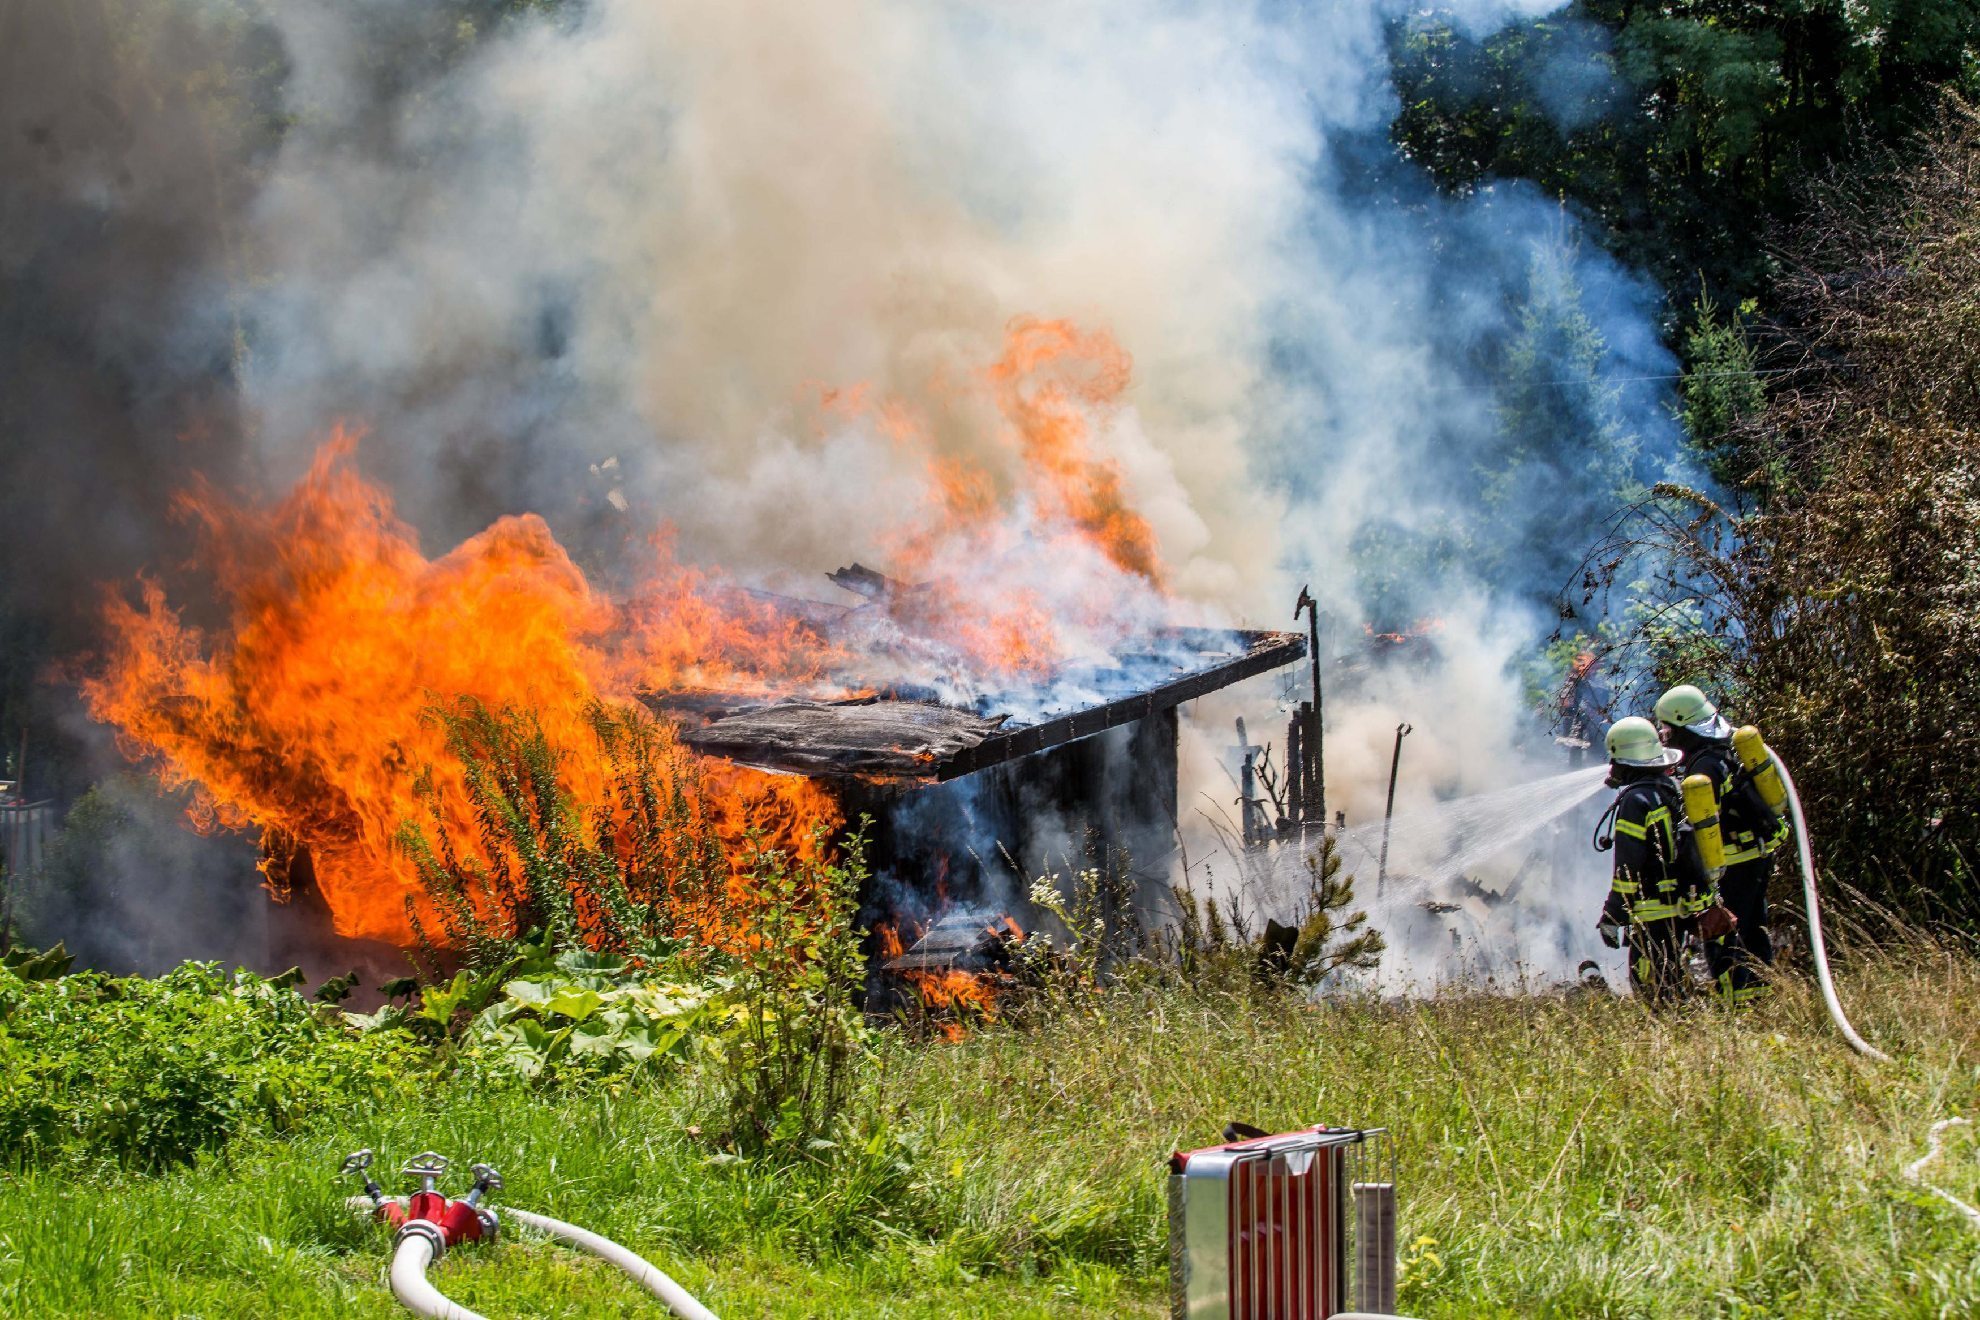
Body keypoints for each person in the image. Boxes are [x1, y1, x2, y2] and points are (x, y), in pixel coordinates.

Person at [1655, 684, 1788, 1003]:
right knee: (1754, 930)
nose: (1666, 738)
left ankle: (1736, 1002)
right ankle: (1758, 997)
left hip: (1732, 864)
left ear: (1683, 726)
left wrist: (1697, 879)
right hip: (1754, 855)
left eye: (1668, 731)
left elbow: (1701, 827)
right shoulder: (1724, 751)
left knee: (1724, 933)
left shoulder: (1704, 768)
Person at [1594, 716, 1704, 1004]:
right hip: (1677, 906)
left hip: (1653, 910)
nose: (1611, 767)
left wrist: (1612, 916)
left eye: (1614, 759)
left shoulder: (1635, 801)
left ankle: (1673, 1026)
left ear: (1625, 759)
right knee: (1672, 978)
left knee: (1652, 986)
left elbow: (1627, 869)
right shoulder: (1669, 789)